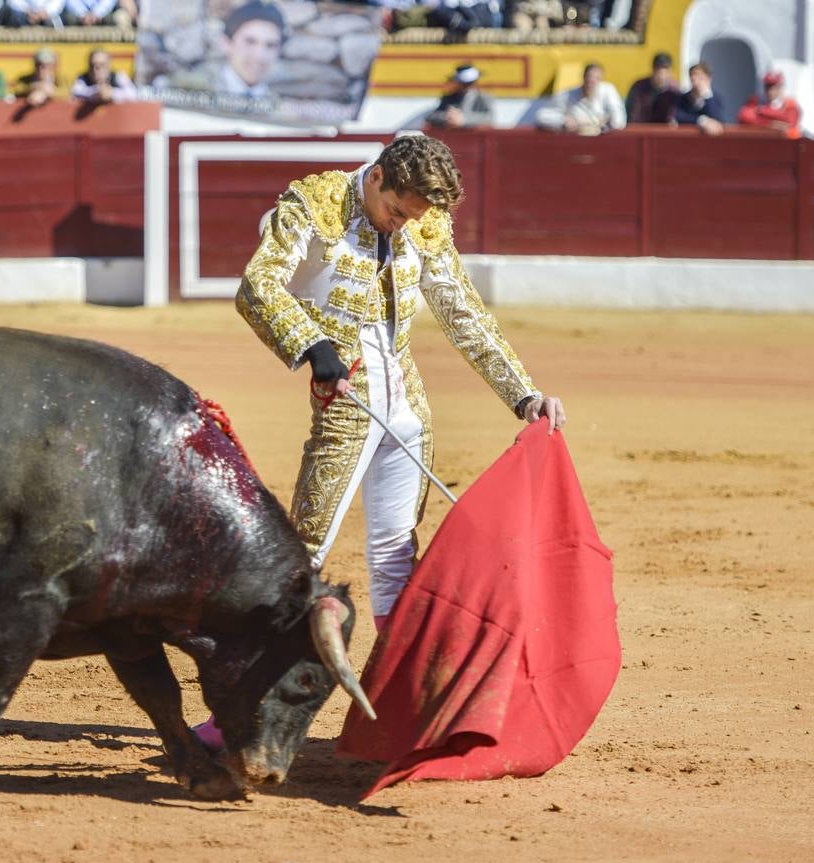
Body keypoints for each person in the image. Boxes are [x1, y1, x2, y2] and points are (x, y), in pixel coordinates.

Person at [192, 135, 566, 752]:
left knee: (397, 556)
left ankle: (399, 712)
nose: (405, 224)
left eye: (417, 216)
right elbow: (258, 285)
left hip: (408, 410)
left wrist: (524, 396)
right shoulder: (314, 202)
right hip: (348, 408)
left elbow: (463, 313)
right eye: (398, 210)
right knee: (301, 556)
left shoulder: (427, 222)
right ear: (377, 179)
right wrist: (312, 347)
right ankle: (235, 713)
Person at [166, 0, 284, 100]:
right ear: (226, 43)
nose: (259, 55)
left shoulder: (277, 106)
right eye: (250, 42)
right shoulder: (190, 89)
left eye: (271, 45)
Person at [536, 61, 625, 134]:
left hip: (601, 142)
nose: (591, 82)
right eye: (589, 78)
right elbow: (541, 116)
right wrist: (563, 121)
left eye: (596, 79)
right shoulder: (568, 95)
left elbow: (619, 120)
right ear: (583, 78)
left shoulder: (608, 91)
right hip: (575, 142)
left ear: (601, 80)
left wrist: (605, 123)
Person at [425, 62, 492, 129]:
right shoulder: (449, 98)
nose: (466, 87)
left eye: (469, 83)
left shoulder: (484, 97)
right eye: (463, 84)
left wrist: (464, 119)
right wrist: (447, 117)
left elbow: (489, 118)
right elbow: (431, 116)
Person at [738, 71, 802, 138]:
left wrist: (762, 111)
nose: (770, 90)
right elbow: (743, 116)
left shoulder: (789, 103)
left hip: (781, 143)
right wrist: (769, 124)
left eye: (774, 86)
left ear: (780, 87)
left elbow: (790, 122)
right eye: (768, 86)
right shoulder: (756, 100)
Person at [626, 51, 680, 124]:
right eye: (659, 73)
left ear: (670, 72)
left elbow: (674, 116)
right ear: (653, 71)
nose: (662, 77)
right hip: (641, 131)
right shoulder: (639, 88)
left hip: (665, 132)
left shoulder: (674, 90)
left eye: (666, 73)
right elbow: (633, 115)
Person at [673, 61, 724, 136]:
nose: (695, 81)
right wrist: (701, 120)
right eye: (692, 76)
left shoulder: (716, 98)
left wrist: (706, 95)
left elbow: (718, 119)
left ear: (708, 78)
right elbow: (679, 116)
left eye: (700, 77)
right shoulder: (683, 98)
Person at [70, 48, 137, 105]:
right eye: (92, 65)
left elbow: (134, 94)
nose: (96, 70)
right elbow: (76, 92)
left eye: (102, 65)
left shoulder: (119, 77)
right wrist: (96, 92)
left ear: (109, 66)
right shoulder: (83, 78)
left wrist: (112, 93)